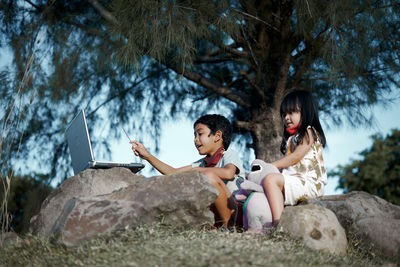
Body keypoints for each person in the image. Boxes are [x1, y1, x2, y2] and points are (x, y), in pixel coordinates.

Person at [130, 114, 245, 228]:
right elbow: (173, 173)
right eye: (194, 135)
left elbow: (228, 173)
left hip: (236, 211)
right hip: (216, 215)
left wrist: (199, 170)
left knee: (209, 176)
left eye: (200, 134)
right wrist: (147, 156)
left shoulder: (229, 154)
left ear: (217, 136)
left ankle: (227, 227)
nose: (195, 140)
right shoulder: (201, 164)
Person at [248, 90, 327, 227]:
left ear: (306, 111)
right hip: (296, 181)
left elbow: (295, 158)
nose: (286, 118)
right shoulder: (291, 138)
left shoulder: (308, 131)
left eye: (291, 112)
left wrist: (270, 166)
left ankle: (278, 224)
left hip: (309, 183)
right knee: (263, 186)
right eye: (284, 114)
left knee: (270, 179)